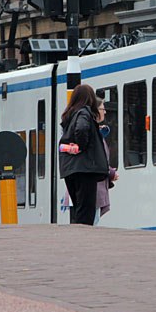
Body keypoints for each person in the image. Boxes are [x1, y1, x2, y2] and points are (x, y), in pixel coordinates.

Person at [59, 84, 109, 225]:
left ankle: (77, 240)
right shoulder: (84, 112)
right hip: (85, 169)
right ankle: (83, 241)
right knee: (86, 211)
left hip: (70, 169)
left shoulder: (69, 115)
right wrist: (82, 145)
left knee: (79, 209)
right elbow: (81, 129)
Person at [94, 93, 119, 224]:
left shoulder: (97, 132)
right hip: (94, 188)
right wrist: (110, 172)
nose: (105, 112)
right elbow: (96, 159)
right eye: (103, 109)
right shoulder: (94, 134)